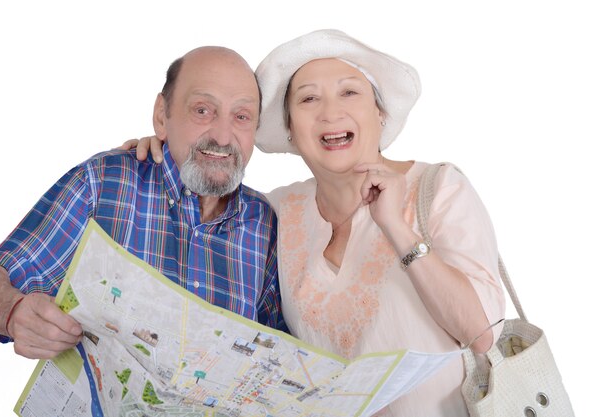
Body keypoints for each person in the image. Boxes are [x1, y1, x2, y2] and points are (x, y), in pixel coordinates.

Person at [125, 29, 506, 416]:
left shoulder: (438, 189)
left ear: (380, 112)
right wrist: (162, 144)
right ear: (290, 129)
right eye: (308, 98)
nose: (330, 112)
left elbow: (481, 332)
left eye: (349, 92)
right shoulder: (275, 212)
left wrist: (397, 228)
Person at [0, 46, 287, 361]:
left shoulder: (266, 225)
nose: (223, 136)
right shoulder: (105, 182)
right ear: (162, 115)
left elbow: (283, 356)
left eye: (241, 116)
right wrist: (12, 311)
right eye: (203, 110)